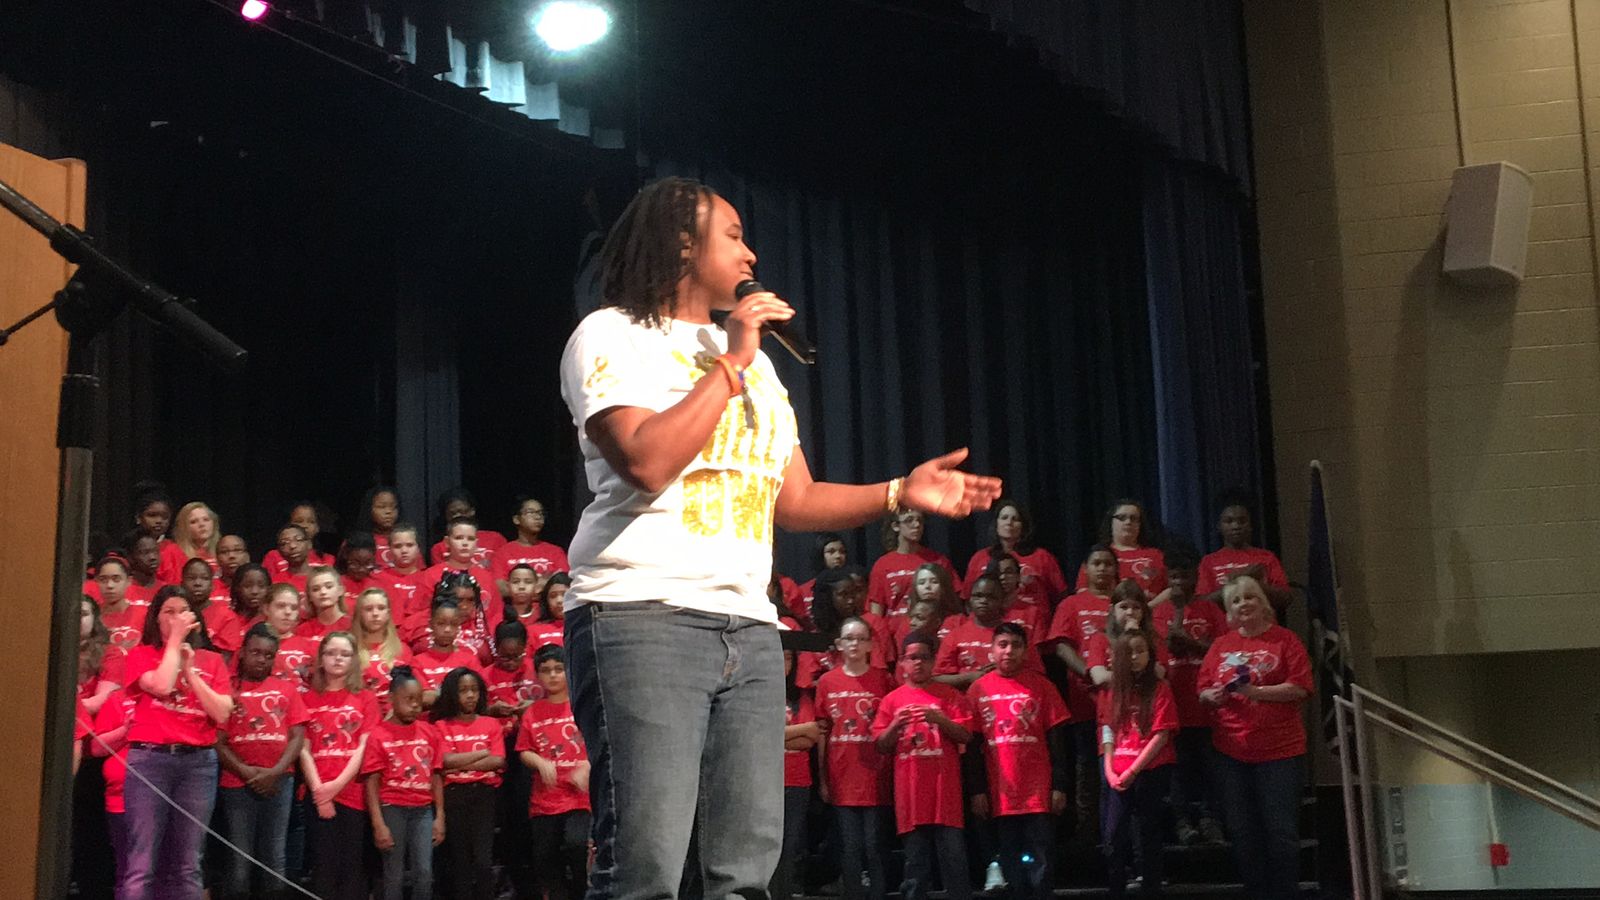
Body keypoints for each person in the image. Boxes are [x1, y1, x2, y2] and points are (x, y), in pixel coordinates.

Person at [558, 176, 1001, 900]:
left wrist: (899, 491)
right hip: (641, 617)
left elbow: (794, 500)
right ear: (681, 244)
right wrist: (730, 362)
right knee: (644, 868)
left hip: (750, 628)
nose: (751, 253)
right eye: (733, 236)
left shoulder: (759, 364)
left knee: (745, 874)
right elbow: (645, 461)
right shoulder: (612, 335)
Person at [1199, 575, 1312, 900]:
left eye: (1250, 597)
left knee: (1281, 832)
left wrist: (1255, 692)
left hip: (1280, 753)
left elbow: (1300, 687)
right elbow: (1203, 689)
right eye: (1235, 600)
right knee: (1243, 832)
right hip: (1231, 753)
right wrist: (1211, 696)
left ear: (1263, 604)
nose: (1243, 604)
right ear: (1229, 611)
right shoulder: (1220, 646)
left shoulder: (1285, 640)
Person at [119, 587, 234, 900]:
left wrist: (191, 672)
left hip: (197, 764)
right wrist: (174, 643)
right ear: (156, 619)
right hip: (151, 761)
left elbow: (222, 712)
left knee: (188, 863)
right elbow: (161, 685)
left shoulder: (212, 660)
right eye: (168, 612)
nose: (177, 617)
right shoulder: (141, 654)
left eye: (183, 611)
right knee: (142, 862)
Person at [965, 623, 1070, 900]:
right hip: (1000, 793)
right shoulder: (977, 689)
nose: (1009, 651)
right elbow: (972, 747)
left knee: (1042, 862)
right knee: (1010, 864)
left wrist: (1059, 785)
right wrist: (977, 790)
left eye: (1016, 645)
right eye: (1002, 645)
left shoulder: (1043, 686)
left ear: (1025, 651)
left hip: (1037, 791)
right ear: (992, 650)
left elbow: (1058, 742)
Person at [873, 633, 977, 900]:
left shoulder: (951, 696)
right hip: (910, 796)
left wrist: (940, 720)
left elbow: (966, 735)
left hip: (945, 796)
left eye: (924, 657)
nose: (918, 663)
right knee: (915, 866)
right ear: (902, 663)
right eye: (912, 658)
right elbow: (881, 745)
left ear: (933, 661)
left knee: (954, 862)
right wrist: (895, 724)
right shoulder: (891, 700)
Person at [216, 625, 308, 900]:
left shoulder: (287, 689)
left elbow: (297, 736)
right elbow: (218, 740)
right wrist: (245, 771)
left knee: (275, 854)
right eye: (255, 653)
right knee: (240, 856)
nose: (261, 660)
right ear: (242, 653)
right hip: (236, 782)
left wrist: (275, 772)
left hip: (280, 781)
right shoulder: (227, 689)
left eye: (268, 656)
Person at [1151, 544, 1227, 845]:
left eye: (1185, 576)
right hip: (1174, 706)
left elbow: (1224, 651)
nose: (1179, 582)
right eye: (1173, 577)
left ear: (1196, 576)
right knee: (1178, 771)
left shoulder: (1211, 610)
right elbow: (1156, 653)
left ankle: (1211, 820)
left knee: (1211, 769)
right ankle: (1182, 823)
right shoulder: (1158, 613)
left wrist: (1193, 644)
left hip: (1206, 707)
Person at [814, 617, 894, 900]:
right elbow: (823, 733)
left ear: (871, 645)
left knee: (874, 845)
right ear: (839, 644)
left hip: (875, 775)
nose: (855, 644)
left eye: (861, 639)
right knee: (849, 847)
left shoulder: (883, 680)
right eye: (849, 638)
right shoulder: (827, 682)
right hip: (841, 775)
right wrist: (823, 779)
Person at [299, 631, 379, 900]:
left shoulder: (365, 698)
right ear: (321, 659)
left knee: (352, 869)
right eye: (331, 653)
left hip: (352, 793)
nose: (337, 659)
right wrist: (320, 792)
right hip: (317, 793)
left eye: (345, 654)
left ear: (354, 660)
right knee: (323, 869)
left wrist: (336, 786)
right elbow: (303, 749)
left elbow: (364, 747)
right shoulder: (307, 698)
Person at [1101, 629, 1178, 899]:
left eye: (1140, 651)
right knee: (1113, 834)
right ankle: (1116, 887)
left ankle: (1151, 886)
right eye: (1129, 652)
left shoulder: (1160, 688)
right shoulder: (1113, 692)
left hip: (1150, 769)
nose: (1134, 657)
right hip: (1118, 771)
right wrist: (1109, 770)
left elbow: (1162, 734)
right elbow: (1107, 731)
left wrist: (1134, 770)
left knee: (1148, 831)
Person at [516, 645, 591, 900]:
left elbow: (601, 743)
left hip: (579, 799)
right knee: (545, 857)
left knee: (577, 845)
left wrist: (587, 766)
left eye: (559, 669)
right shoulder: (533, 712)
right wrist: (539, 762)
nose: (553, 675)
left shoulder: (581, 707)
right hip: (545, 801)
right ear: (538, 675)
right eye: (546, 670)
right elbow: (524, 750)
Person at [366, 665, 446, 900]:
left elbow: (436, 776)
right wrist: (378, 823)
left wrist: (439, 816)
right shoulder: (378, 735)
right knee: (394, 874)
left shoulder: (429, 732)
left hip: (423, 810)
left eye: (418, 700)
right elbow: (372, 782)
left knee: (424, 872)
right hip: (393, 808)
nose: (415, 705)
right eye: (408, 699)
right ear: (391, 699)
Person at [432, 666, 505, 900]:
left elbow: (498, 760)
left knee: (483, 861)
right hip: (453, 795)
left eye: (474, 690)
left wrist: (458, 764)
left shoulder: (491, 724)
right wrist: (482, 753)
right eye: (463, 690)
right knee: (460, 862)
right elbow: (444, 761)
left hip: (483, 795)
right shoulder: (441, 726)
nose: (470, 695)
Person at [934, 573, 1043, 690]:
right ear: (970, 600)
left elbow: (1038, 675)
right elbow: (937, 678)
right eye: (978, 596)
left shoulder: (1016, 635)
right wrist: (969, 678)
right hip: (967, 697)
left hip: (1009, 695)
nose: (983, 601)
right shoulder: (955, 635)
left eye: (991, 597)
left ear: (1003, 601)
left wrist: (1007, 669)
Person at [772, 651, 820, 900]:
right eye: (779, 656)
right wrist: (798, 731)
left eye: (788, 658)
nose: (783, 663)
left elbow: (811, 737)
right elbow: (758, 736)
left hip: (797, 781)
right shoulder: (757, 694)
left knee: (790, 845)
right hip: (766, 780)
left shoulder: (801, 697)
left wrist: (775, 734)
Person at [961, 499, 1067, 613]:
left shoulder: (1042, 557)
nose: (1009, 522)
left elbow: (1061, 596)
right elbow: (968, 599)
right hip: (992, 621)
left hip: (1034, 620)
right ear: (996, 524)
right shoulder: (980, 558)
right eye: (1004, 518)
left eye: (1015, 519)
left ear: (1023, 526)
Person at [1198, 491, 1291, 617]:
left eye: (1242, 521)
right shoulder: (1209, 561)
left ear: (1250, 525)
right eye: (1229, 521)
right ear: (1219, 526)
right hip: (1224, 627)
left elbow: (1286, 599)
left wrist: (1254, 584)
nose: (1236, 526)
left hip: (1263, 625)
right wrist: (1242, 578)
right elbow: (1202, 604)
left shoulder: (1266, 557)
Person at [868, 509, 956, 618]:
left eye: (920, 520)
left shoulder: (938, 561)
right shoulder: (882, 565)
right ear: (896, 526)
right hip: (895, 626)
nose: (917, 525)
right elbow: (876, 612)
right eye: (909, 520)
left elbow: (952, 603)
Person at [1075, 500, 1167, 601]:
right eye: (1122, 518)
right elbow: (1082, 592)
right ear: (1111, 522)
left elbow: (1170, 590)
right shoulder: (1098, 555)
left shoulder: (1155, 555)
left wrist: (1147, 607)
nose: (1128, 522)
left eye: (1133, 518)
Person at [422, 519, 505, 619]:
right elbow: (422, 614)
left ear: (476, 543)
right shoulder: (430, 576)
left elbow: (497, 615)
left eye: (470, 539)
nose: (465, 543)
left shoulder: (487, 577)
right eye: (459, 538)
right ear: (447, 542)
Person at [353, 587, 413, 719]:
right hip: (364, 717)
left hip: (397, 718)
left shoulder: (403, 650)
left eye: (381, 608)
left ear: (388, 613)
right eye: (368, 609)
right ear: (360, 614)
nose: (375, 614)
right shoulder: (351, 650)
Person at [491, 495, 570, 594]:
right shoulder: (503, 552)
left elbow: (563, 583)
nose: (538, 517)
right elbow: (500, 588)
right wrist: (544, 583)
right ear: (516, 519)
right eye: (531, 512)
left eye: (541, 513)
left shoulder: (555, 551)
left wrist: (519, 588)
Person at [413, 597, 483, 706]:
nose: (447, 630)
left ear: (459, 627)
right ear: (431, 625)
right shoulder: (417, 662)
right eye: (441, 624)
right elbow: (424, 699)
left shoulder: (470, 661)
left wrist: (438, 695)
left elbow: (477, 695)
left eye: (453, 624)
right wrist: (458, 694)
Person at [375, 523, 432, 644]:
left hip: (420, 638)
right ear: (389, 549)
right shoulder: (378, 578)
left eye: (410, 545)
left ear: (418, 548)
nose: (404, 551)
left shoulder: (430, 578)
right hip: (386, 637)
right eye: (398, 546)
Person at [428, 488, 507, 566]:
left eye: (462, 512)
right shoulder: (439, 548)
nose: (458, 516)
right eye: (452, 513)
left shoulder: (496, 539)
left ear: (472, 511)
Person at [182, 556, 241, 658]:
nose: (197, 583)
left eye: (204, 578)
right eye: (191, 578)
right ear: (182, 583)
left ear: (212, 585)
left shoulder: (227, 617)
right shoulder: (176, 613)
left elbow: (224, 660)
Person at [262, 583, 317, 685]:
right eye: (281, 606)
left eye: (294, 608)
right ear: (266, 609)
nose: (288, 612)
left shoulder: (310, 647)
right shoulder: (254, 646)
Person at [95, 553, 147, 653]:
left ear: (129, 581)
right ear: (96, 582)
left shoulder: (144, 614)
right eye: (103, 579)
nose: (109, 585)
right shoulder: (93, 617)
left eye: (116, 579)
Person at [297, 565, 353, 640]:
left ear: (340, 590)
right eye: (316, 589)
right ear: (309, 596)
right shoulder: (302, 630)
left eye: (329, 587)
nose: (323, 592)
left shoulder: (352, 626)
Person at [358, 485, 402, 568]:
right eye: (381, 507)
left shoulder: (407, 541)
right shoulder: (357, 542)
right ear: (369, 509)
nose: (388, 511)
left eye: (393, 507)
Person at [270, 524, 315, 597]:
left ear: (309, 544)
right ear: (279, 550)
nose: (292, 546)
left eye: (298, 540)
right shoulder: (276, 582)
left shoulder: (323, 576)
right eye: (284, 543)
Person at [527, 572, 570, 650]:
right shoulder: (532, 631)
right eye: (553, 596)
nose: (559, 600)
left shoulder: (586, 627)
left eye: (565, 594)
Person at [341, 531, 385, 599]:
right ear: (346, 555)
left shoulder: (381, 584)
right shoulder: (336, 584)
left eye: (367, 563)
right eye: (356, 563)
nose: (361, 570)